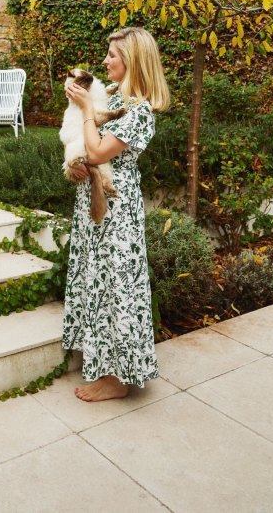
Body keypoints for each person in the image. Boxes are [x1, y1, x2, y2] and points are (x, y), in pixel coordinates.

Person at [62, 26, 170, 402]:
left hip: (117, 210)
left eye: (113, 55)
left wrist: (88, 110)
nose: (106, 60)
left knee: (117, 287)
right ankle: (102, 363)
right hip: (93, 203)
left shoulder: (140, 111)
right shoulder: (111, 96)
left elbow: (97, 152)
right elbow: (84, 151)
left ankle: (118, 378)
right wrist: (76, 166)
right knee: (98, 280)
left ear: (133, 60)